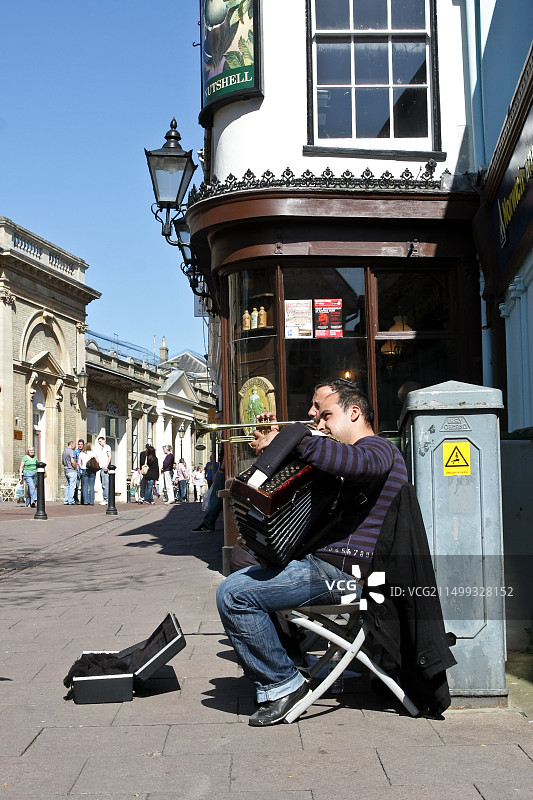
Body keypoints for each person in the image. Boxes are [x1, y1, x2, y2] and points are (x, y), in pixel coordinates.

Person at [216, 382, 408, 726]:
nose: (321, 425)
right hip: (327, 569)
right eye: (318, 419)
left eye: (327, 416)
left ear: (354, 413)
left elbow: (356, 461)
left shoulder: (379, 449)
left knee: (234, 594)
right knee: (245, 569)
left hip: (348, 579)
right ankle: (291, 672)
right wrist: (275, 451)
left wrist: (294, 437)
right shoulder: (349, 456)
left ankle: (283, 685)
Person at [192, 453, 225, 532]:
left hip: (223, 470)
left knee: (215, 496)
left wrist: (221, 469)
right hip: (223, 469)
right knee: (216, 496)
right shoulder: (208, 464)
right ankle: (208, 522)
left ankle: (208, 523)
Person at [95, 435, 112, 506]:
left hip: (104, 467)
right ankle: (105, 498)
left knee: (105, 484)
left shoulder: (107, 447)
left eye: (100, 441)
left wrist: (106, 466)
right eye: (99, 441)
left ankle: (106, 499)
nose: (100, 443)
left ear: (104, 440)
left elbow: (110, 456)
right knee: (103, 483)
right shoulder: (101, 448)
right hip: (101, 467)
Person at [62, 440, 78, 505]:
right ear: (71, 444)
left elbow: (63, 461)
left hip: (66, 470)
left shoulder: (64, 451)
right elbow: (72, 461)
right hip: (71, 470)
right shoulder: (71, 451)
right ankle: (71, 500)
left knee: (68, 485)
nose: (75, 446)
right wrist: (75, 468)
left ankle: (66, 500)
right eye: (74, 445)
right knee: (72, 486)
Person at [74, 439, 85, 504]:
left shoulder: (85, 452)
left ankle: (83, 500)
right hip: (77, 470)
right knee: (76, 485)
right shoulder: (75, 452)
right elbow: (74, 460)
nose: (80, 446)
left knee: (83, 485)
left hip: (83, 470)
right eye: (79, 444)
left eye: (81, 444)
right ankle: (76, 499)